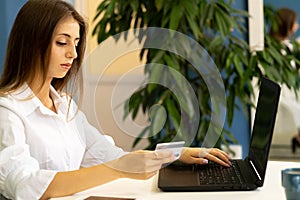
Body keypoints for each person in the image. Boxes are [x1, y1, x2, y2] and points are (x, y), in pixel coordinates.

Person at [0, 0, 231, 199]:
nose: (73, 53)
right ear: (32, 43)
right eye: (62, 42)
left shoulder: (64, 106)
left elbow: (111, 156)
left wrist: (175, 155)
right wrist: (119, 168)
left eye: (77, 43)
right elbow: (24, 186)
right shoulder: (8, 111)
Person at [269, 7, 300, 153]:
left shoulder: (289, 47)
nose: (296, 26)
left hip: (291, 91)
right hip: (283, 93)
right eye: (294, 23)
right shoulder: (271, 49)